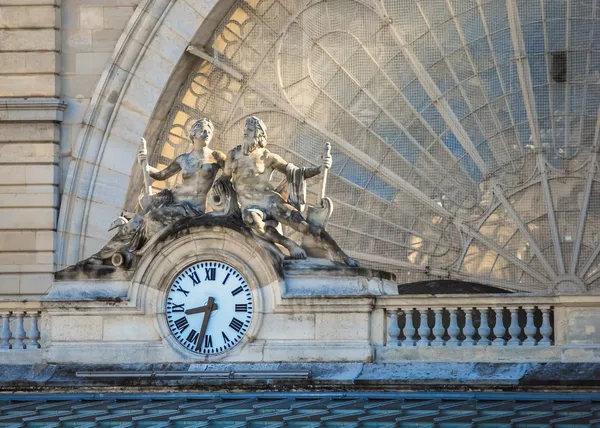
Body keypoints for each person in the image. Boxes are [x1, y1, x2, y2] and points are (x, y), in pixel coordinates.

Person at [214, 116, 359, 267]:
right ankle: (289, 244)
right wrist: (219, 182)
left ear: (259, 136)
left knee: (304, 226)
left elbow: (295, 172)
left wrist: (319, 169)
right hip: (249, 205)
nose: (245, 133)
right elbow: (225, 176)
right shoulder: (234, 154)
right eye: (245, 130)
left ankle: (343, 256)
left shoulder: (267, 156)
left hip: (270, 201)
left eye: (249, 130)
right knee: (251, 219)